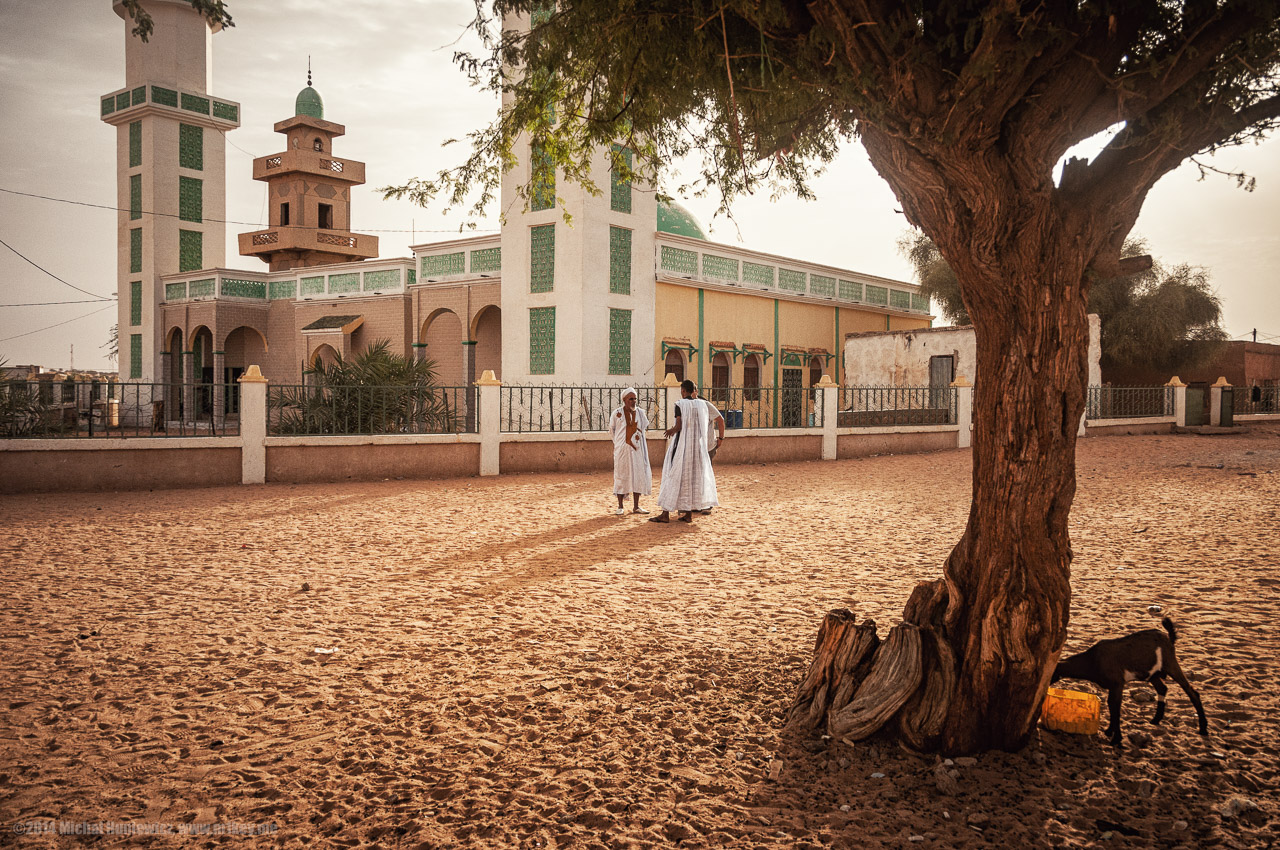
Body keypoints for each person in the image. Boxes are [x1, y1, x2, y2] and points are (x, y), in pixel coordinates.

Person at [650, 379, 725, 523]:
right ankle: (688, 514)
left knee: (672, 475)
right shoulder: (702, 405)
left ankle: (665, 514)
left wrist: (671, 430)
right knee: (691, 479)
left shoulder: (679, 404)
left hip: (681, 447)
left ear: (684, 391)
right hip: (697, 449)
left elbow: (679, 426)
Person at [608, 387, 651, 514]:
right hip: (622, 450)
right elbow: (612, 430)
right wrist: (619, 444)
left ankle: (636, 506)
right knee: (621, 476)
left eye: (635, 399)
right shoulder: (617, 413)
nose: (633, 401)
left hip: (637, 450)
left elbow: (643, 429)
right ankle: (620, 506)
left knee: (637, 476)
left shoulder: (640, 413)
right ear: (624, 400)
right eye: (630, 399)